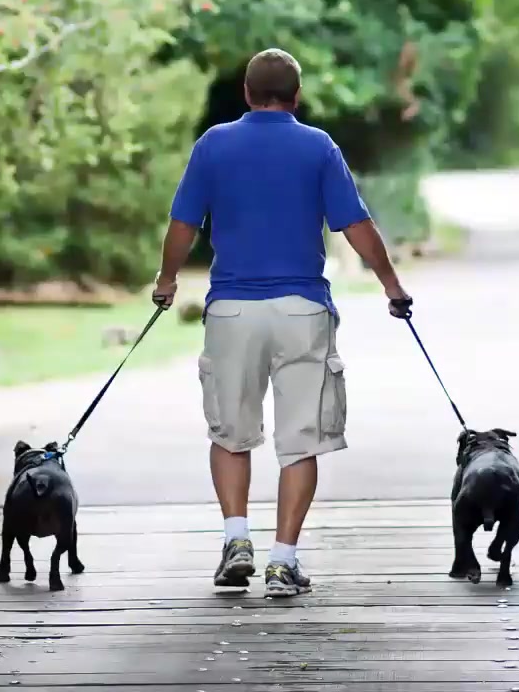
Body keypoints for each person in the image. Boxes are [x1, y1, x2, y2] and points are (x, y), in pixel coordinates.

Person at [151, 48, 411, 598]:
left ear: (246, 94)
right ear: (296, 97)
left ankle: (236, 540)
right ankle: (282, 561)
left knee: (231, 432)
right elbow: (355, 225)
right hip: (302, 311)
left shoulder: (214, 144)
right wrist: (391, 284)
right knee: (301, 441)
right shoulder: (318, 146)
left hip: (233, 312)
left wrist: (167, 280)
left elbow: (183, 224)